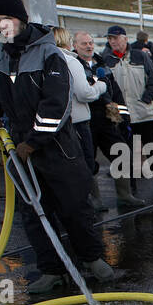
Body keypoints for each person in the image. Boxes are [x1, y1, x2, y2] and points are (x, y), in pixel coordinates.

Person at [0, 0, 116, 292]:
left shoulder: (49, 53)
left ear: (21, 19)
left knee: (74, 205)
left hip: (57, 146)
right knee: (33, 211)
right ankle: (52, 270)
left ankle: (92, 259)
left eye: (8, 18)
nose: (3, 25)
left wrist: (35, 140)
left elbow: (56, 103)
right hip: (19, 147)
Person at [73, 30, 141, 209]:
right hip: (86, 120)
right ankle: (94, 200)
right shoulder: (74, 66)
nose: (88, 46)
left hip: (106, 118)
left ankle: (125, 195)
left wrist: (124, 117)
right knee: (88, 161)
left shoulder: (101, 64)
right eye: (84, 43)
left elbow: (115, 92)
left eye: (90, 43)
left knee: (122, 154)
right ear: (74, 46)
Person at [54, 27, 108, 211]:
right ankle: (87, 204)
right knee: (84, 163)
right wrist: (100, 86)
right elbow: (84, 93)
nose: (88, 46)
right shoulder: (70, 61)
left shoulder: (47, 62)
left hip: (57, 123)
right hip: (78, 121)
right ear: (69, 42)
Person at [111, 34, 153, 192]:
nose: (113, 42)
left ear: (125, 39)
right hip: (122, 115)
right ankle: (131, 185)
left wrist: (146, 99)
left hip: (144, 113)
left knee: (151, 147)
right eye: (110, 39)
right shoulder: (107, 59)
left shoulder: (140, 55)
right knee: (126, 151)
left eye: (116, 38)